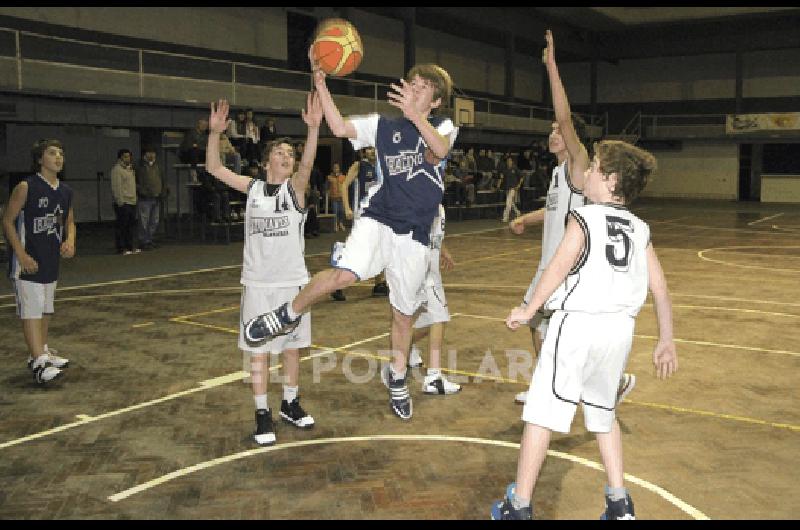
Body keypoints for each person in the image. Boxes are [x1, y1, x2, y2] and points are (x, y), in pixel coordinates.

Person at [244, 46, 457, 421]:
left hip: (415, 235)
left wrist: (414, 115)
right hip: (379, 218)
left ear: (435, 100)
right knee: (344, 274)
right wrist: (320, 82)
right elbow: (339, 126)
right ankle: (287, 313)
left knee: (403, 315)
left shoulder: (442, 127)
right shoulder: (384, 125)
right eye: (414, 83)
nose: (414, 89)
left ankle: (397, 377)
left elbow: (439, 151)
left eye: (424, 88)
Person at [491, 139, 677, 521]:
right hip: (617, 336)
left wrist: (529, 309)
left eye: (593, 167)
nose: (587, 171)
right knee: (602, 414)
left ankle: (519, 505)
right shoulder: (640, 229)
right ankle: (619, 502)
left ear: (609, 181)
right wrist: (666, 339)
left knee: (541, 414)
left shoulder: (585, 218)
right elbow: (659, 288)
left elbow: (556, 268)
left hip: (576, 327)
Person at [509, 30, 635, 406]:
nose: (553, 133)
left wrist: (551, 68)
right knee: (544, 327)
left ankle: (569, 386)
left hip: (565, 266)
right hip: (550, 263)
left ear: (572, 138)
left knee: (548, 327)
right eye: (550, 131)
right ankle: (594, 383)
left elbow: (564, 116)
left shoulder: (578, 168)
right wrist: (525, 221)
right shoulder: (555, 174)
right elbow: (553, 213)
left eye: (557, 131)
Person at [205, 93, 323, 446]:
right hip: (258, 284)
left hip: (293, 285)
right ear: (267, 160)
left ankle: (290, 403)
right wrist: (214, 134)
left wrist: (314, 129)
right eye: (280, 152)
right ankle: (261, 412)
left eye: (291, 153)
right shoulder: (253, 188)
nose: (287, 157)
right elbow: (214, 168)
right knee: (258, 351)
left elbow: (307, 166)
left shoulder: (296, 191)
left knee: (291, 348)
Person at [2, 139, 76, 384]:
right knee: (31, 310)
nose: (58, 157)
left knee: (45, 309)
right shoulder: (27, 186)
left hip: (50, 259)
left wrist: (70, 241)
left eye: (61, 153)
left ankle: (42, 350)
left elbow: (69, 222)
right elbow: (7, 221)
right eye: (52, 153)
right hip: (27, 262)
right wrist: (21, 254)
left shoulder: (65, 191)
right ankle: (37, 362)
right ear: (39, 159)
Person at [406, 204, 460, 395]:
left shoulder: (436, 202)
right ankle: (433, 377)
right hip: (424, 272)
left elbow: (434, 235)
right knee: (439, 318)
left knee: (426, 322)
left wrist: (442, 250)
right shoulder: (422, 198)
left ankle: (403, 349)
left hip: (426, 271)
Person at [341, 147, 389, 297]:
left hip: (379, 214)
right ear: (364, 152)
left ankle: (379, 283)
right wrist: (347, 208)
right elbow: (344, 186)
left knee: (380, 247)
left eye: (374, 148)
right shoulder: (359, 166)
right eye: (368, 149)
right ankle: (337, 285)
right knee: (358, 251)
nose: (371, 151)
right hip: (362, 214)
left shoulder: (382, 166)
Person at [110, 149, 140, 255]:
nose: (128, 158)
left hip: (132, 201)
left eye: (129, 156)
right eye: (125, 156)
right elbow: (116, 187)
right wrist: (120, 201)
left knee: (130, 226)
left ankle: (130, 246)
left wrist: (135, 199)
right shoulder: (117, 170)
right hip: (123, 202)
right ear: (120, 158)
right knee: (122, 226)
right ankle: (121, 248)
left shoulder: (131, 169)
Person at [135, 147, 164, 250]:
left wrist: (162, 191)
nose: (152, 155)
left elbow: (162, 179)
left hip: (156, 196)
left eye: (153, 153)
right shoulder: (139, 166)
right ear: (145, 154)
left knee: (154, 220)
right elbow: (136, 181)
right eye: (149, 152)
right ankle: (143, 241)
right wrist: (141, 191)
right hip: (144, 197)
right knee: (144, 220)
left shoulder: (158, 166)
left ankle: (150, 239)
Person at [499, 155, 523, 223]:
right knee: (511, 202)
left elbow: (521, 177)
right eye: (507, 161)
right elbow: (502, 178)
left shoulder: (515, 168)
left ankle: (505, 218)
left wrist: (519, 185)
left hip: (513, 188)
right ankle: (518, 212)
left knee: (508, 203)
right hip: (507, 188)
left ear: (512, 161)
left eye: (510, 161)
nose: (508, 162)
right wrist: (498, 185)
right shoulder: (505, 169)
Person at [326, 163, 347, 233]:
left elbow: (345, 186)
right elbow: (327, 187)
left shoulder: (343, 177)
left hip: (341, 197)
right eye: (335, 168)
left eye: (337, 168)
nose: (336, 169)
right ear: (333, 169)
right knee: (335, 211)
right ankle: (335, 224)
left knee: (341, 211)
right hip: (334, 197)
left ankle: (340, 223)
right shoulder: (329, 177)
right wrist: (328, 193)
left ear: (339, 169)